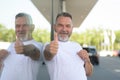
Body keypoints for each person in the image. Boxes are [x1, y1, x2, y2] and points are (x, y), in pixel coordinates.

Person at [43, 12, 93, 80]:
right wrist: (50, 50)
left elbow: (89, 73)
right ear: (54, 27)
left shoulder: (77, 46)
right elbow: (47, 54)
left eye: (68, 26)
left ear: (72, 28)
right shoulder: (49, 45)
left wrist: (87, 60)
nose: (64, 29)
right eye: (60, 25)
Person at [0, 13, 43, 80]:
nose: (20, 29)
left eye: (25, 25)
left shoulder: (39, 45)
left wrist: (24, 49)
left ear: (32, 27)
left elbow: (34, 51)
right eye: (17, 26)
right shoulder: (11, 45)